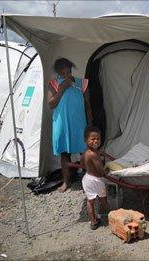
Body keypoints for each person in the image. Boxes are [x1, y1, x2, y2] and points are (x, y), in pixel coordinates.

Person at [47, 58, 92, 192]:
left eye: (68, 72)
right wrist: (61, 89)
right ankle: (66, 182)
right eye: (63, 74)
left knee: (85, 153)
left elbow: (88, 105)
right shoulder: (54, 84)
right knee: (65, 154)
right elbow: (50, 104)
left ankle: (88, 180)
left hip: (79, 123)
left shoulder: (82, 83)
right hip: (62, 124)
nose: (67, 76)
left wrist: (90, 123)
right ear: (58, 73)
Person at [81, 126, 109, 230]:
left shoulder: (86, 152)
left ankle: (93, 221)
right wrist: (107, 171)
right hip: (96, 180)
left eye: (98, 138)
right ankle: (111, 215)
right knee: (103, 199)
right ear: (86, 140)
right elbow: (101, 171)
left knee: (90, 200)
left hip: (87, 178)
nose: (96, 141)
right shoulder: (93, 154)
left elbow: (81, 163)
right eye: (93, 139)